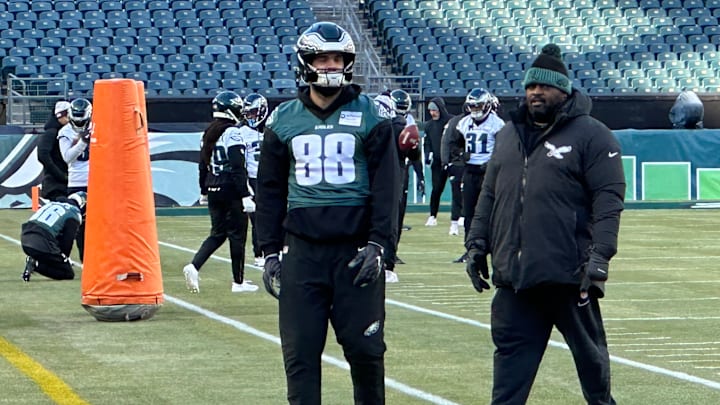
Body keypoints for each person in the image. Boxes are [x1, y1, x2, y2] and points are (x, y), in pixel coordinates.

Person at [464, 43, 625, 404]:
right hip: (515, 282)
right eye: (530, 86)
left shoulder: (592, 134)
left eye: (545, 86)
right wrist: (476, 244)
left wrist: (600, 258)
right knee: (506, 390)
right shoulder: (508, 135)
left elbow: (609, 201)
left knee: (594, 378)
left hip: (569, 277)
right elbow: (489, 196)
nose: (536, 92)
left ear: (563, 89)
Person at [255, 22, 399, 404]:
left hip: (356, 252)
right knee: (300, 357)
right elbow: (268, 190)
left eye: (338, 59)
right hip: (303, 254)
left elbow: (388, 189)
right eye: (324, 58)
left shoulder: (372, 115)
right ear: (306, 63)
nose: (332, 66)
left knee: (366, 353)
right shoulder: (283, 119)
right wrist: (269, 250)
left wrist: (380, 244)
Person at [182, 91, 258, 294]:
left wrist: (203, 190)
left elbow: (202, 165)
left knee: (217, 233)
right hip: (230, 188)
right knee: (237, 235)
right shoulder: (233, 132)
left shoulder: (208, 132)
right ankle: (238, 282)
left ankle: (194, 265)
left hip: (213, 186)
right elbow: (237, 165)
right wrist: (245, 195)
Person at [445, 88, 505, 263]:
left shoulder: (497, 124)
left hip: (489, 173)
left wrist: (493, 162)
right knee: (469, 212)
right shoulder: (463, 123)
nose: (475, 109)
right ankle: (470, 249)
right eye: (472, 106)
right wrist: (460, 154)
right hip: (470, 171)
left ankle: (493, 248)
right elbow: (454, 145)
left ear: (487, 105)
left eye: (478, 105)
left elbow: (503, 149)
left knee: (491, 212)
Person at [21, 191, 87, 281]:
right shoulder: (74, 213)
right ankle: (36, 265)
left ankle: (35, 260)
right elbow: (67, 240)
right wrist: (64, 257)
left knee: (50, 256)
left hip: (25, 237)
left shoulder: (52, 204)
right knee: (67, 273)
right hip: (42, 241)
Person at [57, 98, 93, 262]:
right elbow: (68, 157)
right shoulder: (65, 131)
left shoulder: (98, 128)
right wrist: (83, 142)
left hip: (98, 180)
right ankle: (85, 260)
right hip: (77, 182)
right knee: (79, 225)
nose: (79, 124)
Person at [241, 92, 269, 267]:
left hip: (270, 179)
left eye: (253, 113)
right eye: (248, 113)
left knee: (274, 216)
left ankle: (276, 250)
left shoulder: (273, 128)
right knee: (256, 219)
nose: (250, 117)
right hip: (252, 179)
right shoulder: (242, 132)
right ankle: (259, 254)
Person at [422, 96, 452, 227]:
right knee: (436, 190)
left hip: (452, 160)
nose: (432, 113)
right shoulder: (429, 125)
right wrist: (428, 154)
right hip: (437, 163)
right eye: (430, 110)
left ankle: (461, 216)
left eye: (434, 110)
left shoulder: (451, 121)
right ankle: (432, 216)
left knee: (458, 189)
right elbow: (427, 142)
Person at [37, 101, 71, 202]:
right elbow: (42, 155)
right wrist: (60, 174)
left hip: (62, 181)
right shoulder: (51, 133)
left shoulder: (60, 132)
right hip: (55, 184)